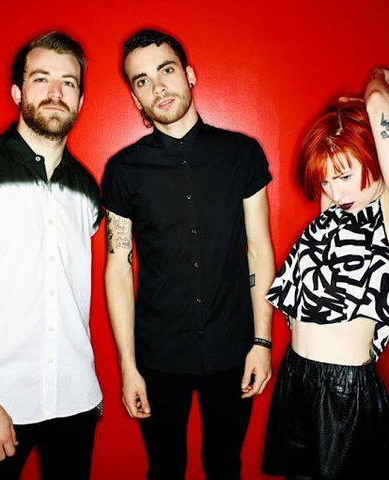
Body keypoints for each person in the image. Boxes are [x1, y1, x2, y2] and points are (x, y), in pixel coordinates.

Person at [101, 29, 275, 480]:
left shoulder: (242, 154)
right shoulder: (122, 171)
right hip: (159, 356)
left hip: (233, 348)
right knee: (164, 469)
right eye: (142, 81)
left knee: (224, 466)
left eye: (166, 70)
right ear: (135, 98)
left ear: (189, 75)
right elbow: (118, 269)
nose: (158, 87)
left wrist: (262, 342)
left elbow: (259, 250)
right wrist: (128, 367)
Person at [0, 31, 103, 480]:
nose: (56, 92)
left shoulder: (88, 191)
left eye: (68, 82)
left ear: (80, 99)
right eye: (41, 78)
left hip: (76, 403)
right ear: (18, 92)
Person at [262, 69, 389, 480]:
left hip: (345, 398)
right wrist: (356, 113)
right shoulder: (334, 212)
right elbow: (356, 115)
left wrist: (379, 81)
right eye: (326, 181)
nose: (335, 192)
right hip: (296, 376)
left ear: (374, 156)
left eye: (345, 176)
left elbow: (376, 104)